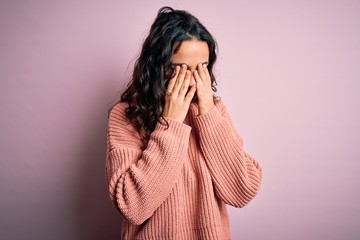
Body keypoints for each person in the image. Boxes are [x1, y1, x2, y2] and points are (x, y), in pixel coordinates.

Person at [105, 6, 262, 240]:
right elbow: (133, 207)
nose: (192, 79)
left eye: (202, 68)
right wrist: (171, 122)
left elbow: (242, 191)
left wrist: (208, 114)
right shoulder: (126, 116)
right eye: (179, 68)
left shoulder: (214, 111)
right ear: (157, 66)